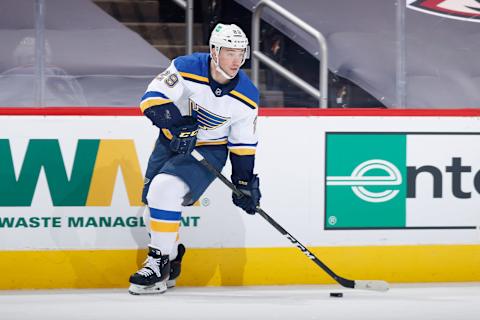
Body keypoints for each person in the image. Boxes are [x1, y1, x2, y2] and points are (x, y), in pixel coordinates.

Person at [128, 23, 261, 295]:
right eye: (229, 52)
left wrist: (244, 181)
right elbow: (150, 99)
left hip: (209, 151)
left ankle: (158, 264)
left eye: (241, 53)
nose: (236, 60)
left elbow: (243, 144)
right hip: (170, 142)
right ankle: (173, 257)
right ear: (214, 51)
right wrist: (177, 125)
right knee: (152, 208)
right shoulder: (186, 67)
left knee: (163, 190)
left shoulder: (246, 96)